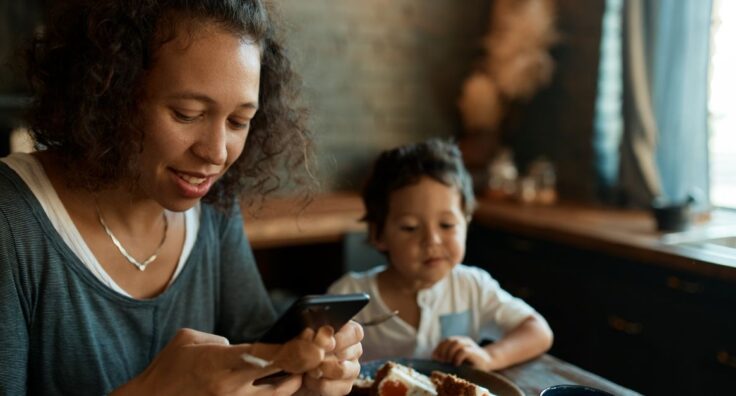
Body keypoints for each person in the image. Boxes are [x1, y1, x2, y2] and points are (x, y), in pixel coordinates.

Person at [0, 1, 363, 395]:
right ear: (106, 92)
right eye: (187, 114)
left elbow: (261, 356)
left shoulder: (213, 207)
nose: (217, 153)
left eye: (239, 121)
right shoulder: (11, 220)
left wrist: (306, 379)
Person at [328, 138, 553, 370]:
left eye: (446, 225)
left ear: (466, 222)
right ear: (378, 234)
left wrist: (491, 357)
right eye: (410, 228)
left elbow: (538, 330)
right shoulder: (349, 295)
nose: (432, 241)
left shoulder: (473, 287)